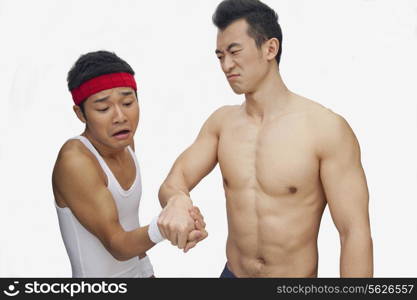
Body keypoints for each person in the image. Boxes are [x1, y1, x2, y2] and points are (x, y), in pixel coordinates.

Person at [157, 0, 373, 277]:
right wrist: (177, 200)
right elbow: (173, 183)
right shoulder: (221, 124)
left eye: (234, 52)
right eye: (220, 56)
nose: (226, 65)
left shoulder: (325, 129)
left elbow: (354, 232)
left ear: (270, 48)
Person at [52, 50, 207, 278]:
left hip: (140, 273)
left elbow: (130, 228)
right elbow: (117, 244)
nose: (120, 117)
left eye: (127, 102)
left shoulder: (124, 142)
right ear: (80, 114)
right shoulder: (75, 161)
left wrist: (183, 221)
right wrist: (166, 226)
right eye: (103, 109)